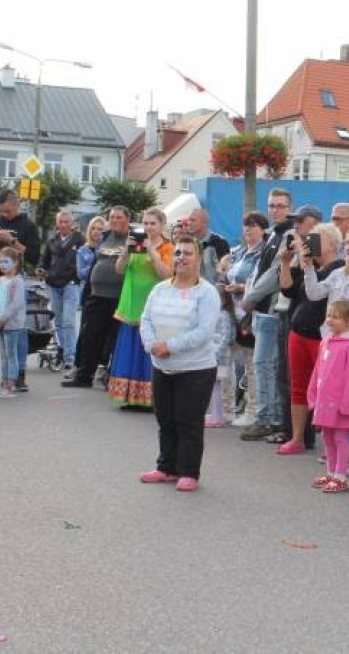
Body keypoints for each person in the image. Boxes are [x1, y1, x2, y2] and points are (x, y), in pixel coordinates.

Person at [138, 237, 220, 493]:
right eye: (177, 253)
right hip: (162, 365)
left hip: (195, 368)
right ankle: (166, 467)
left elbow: (204, 331)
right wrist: (152, 344)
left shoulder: (206, 292)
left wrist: (170, 346)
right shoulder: (160, 289)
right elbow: (145, 320)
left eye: (187, 253)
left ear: (198, 259)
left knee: (189, 421)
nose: (181, 258)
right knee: (166, 419)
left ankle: (188, 471)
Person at [277, 223, 344, 454]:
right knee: (298, 386)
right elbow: (287, 288)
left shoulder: (339, 269)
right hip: (298, 333)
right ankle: (297, 438)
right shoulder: (310, 266)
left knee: (327, 390)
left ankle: (331, 442)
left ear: (333, 244)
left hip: (321, 337)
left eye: (317, 239)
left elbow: (318, 295)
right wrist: (286, 262)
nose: (310, 242)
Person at [238, 188, 293, 441]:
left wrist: (249, 299)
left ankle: (267, 418)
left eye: (280, 206)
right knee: (264, 366)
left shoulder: (288, 236)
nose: (275, 210)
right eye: (272, 205)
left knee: (265, 365)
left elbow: (273, 275)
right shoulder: (272, 235)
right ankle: (267, 416)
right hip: (261, 310)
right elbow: (258, 271)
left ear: (289, 208)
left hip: (272, 309)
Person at [108, 208, 173, 409]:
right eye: (145, 223)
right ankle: (130, 397)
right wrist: (127, 251)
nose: (148, 227)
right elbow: (119, 270)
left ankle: (151, 399)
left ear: (162, 225)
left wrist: (152, 252)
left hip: (154, 308)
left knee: (148, 351)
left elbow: (167, 275)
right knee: (130, 350)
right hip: (131, 307)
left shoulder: (168, 247)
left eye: (153, 223)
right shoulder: (134, 244)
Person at [0, 190, 40, 390]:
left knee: (16, 330)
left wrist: (10, 240)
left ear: (16, 204)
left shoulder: (27, 226)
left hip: (15, 281)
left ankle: (18, 375)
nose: (6, 215)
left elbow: (33, 257)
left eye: (9, 211)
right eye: (2, 211)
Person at [63, 207, 130, 388]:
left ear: (127, 220)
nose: (115, 220)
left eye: (119, 217)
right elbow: (95, 261)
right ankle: (84, 376)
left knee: (114, 339)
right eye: (112, 217)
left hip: (119, 296)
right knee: (90, 336)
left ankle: (111, 376)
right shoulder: (106, 236)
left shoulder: (131, 239)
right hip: (97, 294)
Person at [308, 299, 349, 493]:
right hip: (325, 401)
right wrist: (312, 392)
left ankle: (340, 475)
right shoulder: (326, 341)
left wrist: (347, 401)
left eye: (336, 317)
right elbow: (318, 370)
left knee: (341, 437)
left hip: (341, 403)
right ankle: (331, 472)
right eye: (329, 315)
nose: (330, 320)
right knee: (327, 436)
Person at [223, 211, 268, 427]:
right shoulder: (240, 252)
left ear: (263, 229)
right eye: (246, 225)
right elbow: (229, 274)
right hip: (231, 311)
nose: (248, 229)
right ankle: (227, 408)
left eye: (253, 226)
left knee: (252, 365)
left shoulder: (263, 253)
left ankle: (252, 409)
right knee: (227, 363)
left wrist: (241, 287)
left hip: (249, 313)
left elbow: (258, 283)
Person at [303, 226, 349, 337]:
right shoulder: (338, 272)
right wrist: (309, 268)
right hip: (329, 337)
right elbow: (314, 294)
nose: (348, 248)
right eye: (346, 243)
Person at [38, 211, 85, 370]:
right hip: (53, 283)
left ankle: (70, 357)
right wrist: (40, 269)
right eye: (61, 222)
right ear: (57, 223)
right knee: (58, 321)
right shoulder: (52, 240)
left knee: (69, 321)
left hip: (71, 283)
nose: (64, 224)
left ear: (72, 223)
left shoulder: (79, 239)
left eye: (67, 222)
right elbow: (44, 261)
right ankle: (62, 350)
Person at [0, 247, 27, 400]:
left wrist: (3, 318)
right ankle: (4, 383)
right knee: (3, 355)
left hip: (11, 324)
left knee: (11, 355)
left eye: (6, 261)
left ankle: (11, 385)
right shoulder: (0, 281)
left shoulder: (17, 282)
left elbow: (16, 303)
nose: (2, 265)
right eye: (0, 262)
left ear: (16, 263)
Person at [205, 286, 239, 428]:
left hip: (219, 355)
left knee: (217, 385)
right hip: (216, 353)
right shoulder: (220, 314)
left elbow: (227, 336)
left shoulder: (223, 315)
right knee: (215, 385)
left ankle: (218, 415)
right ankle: (216, 413)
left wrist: (217, 354)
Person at [188, 208, 230, 284]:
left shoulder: (219, 242)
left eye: (193, 220)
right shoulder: (187, 243)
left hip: (212, 291)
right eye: (189, 220)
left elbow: (225, 273)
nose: (189, 223)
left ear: (204, 223)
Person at [76, 216, 107, 309]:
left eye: (100, 229)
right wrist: (95, 263)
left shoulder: (108, 249)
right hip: (88, 291)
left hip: (104, 292)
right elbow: (81, 274)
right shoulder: (83, 250)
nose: (96, 231)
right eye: (93, 228)